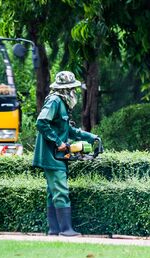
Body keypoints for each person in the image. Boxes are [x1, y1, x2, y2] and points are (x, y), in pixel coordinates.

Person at [33, 71, 98, 237]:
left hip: (54, 155)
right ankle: (66, 229)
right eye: (71, 88)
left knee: (52, 192)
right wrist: (59, 142)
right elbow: (41, 122)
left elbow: (67, 129)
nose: (74, 92)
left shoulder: (62, 103)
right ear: (65, 89)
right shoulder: (55, 101)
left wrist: (90, 137)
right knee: (61, 190)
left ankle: (54, 229)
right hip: (51, 155)